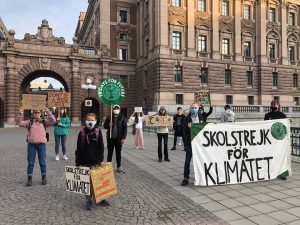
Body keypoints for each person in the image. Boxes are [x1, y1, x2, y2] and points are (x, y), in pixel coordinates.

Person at [75, 113, 110, 210]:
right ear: (86, 121)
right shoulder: (81, 133)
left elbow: (101, 147)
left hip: (96, 162)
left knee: (99, 181)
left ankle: (101, 198)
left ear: (95, 121)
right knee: (87, 182)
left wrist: (102, 160)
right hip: (85, 162)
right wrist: (77, 162)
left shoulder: (98, 132)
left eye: (92, 120)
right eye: (89, 120)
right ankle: (88, 200)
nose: (90, 122)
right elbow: (78, 148)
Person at [16, 108, 56, 186]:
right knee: (30, 162)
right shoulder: (29, 122)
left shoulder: (44, 122)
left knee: (43, 162)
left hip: (41, 145)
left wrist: (48, 112)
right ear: (33, 114)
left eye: (38, 112)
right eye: (35, 112)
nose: (37, 114)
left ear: (40, 113)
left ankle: (43, 177)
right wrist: (20, 114)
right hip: (31, 145)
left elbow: (53, 121)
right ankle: (29, 178)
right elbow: (19, 123)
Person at [181, 103, 212, 186]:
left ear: (198, 109)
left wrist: (213, 125)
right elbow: (183, 130)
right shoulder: (186, 118)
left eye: (195, 108)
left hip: (199, 144)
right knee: (187, 161)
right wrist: (188, 127)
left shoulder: (201, 117)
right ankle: (185, 178)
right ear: (190, 109)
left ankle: (201, 176)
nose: (194, 109)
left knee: (201, 160)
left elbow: (205, 126)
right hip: (190, 143)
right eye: (192, 108)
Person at [264, 100, 288, 180]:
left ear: (278, 106)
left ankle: (283, 173)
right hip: (271, 139)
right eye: (273, 105)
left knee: (281, 156)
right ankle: (271, 172)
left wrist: (289, 121)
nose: (274, 106)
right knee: (272, 156)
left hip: (280, 139)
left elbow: (285, 125)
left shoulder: (282, 115)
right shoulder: (267, 115)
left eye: (275, 104)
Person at [103, 105, 127, 173]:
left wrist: (123, 138)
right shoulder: (109, 117)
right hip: (111, 139)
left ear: (119, 109)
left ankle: (119, 167)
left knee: (118, 153)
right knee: (109, 153)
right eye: (115, 108)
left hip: (119, 139)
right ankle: (108, 166)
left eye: (117, 108)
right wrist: (108, 125)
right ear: (113, 109)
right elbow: (104, 126)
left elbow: (125, 129)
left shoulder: (122, 118)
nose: (116, 109)